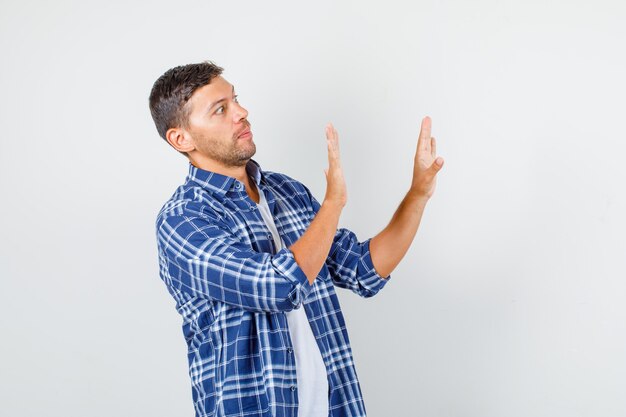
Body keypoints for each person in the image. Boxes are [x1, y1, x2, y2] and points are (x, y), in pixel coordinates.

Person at [149, 61, 444, 417]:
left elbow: (363, 270)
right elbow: (278, 286)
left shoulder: (287, 191)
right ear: (182, 138)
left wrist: (418, 194)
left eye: (236, 100)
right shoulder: (184, 219)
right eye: (221, 109)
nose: (242, 113)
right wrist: (333, 203)